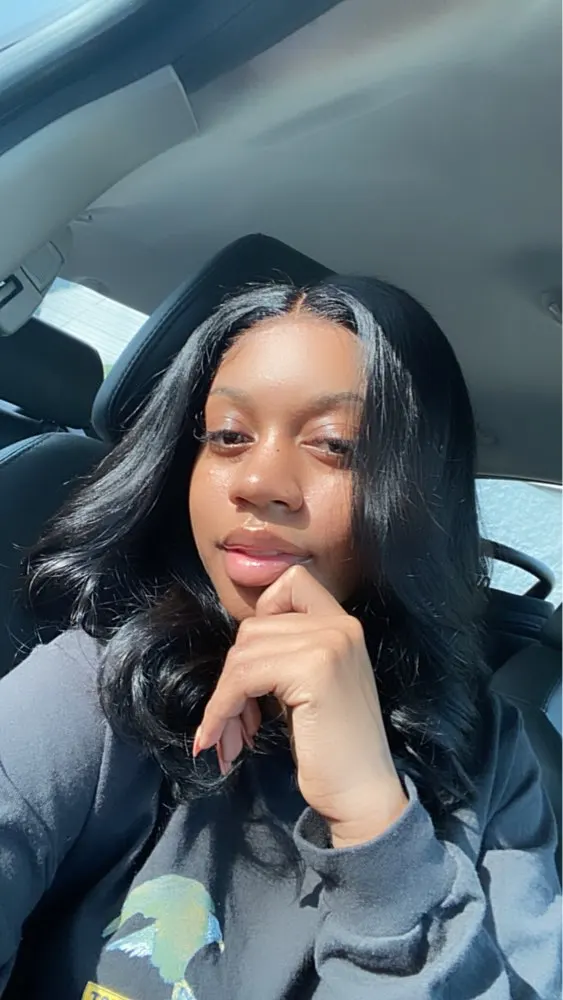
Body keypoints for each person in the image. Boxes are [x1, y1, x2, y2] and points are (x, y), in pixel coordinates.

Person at [0, 277, 560, 1000]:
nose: (259, 480)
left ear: (423, 492)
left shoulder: (494, 762)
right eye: (228, 436)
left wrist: (373, 819)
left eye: (335, 445)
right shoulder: (93, 686)